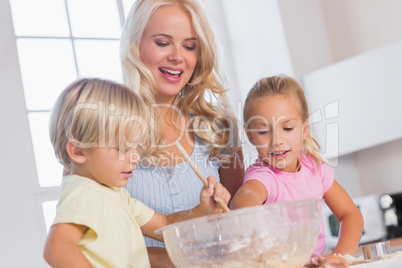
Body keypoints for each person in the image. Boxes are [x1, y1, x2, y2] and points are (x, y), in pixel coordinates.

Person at [43, 78, 230, 267]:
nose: (135, 158)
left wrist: (202, 210)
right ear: (78, 151)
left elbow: (166, 224)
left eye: (136, 146)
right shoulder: (85, 192)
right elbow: (57, 248)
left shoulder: (115, 195)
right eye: (123, 148)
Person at [120, 0, 244, 266]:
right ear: (134, 45)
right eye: (163, 43)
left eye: (189, 46)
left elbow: (240, 228)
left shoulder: (220, 129)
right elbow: (82, 242)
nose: (178, 56)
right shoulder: (102, 130)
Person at [230, 75, 364, 267]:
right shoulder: (264, 177)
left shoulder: (314, 169)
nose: (276, 140)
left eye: (287, 128)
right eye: (263, 131)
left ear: (304, 129)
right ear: (250, 136)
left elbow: (351, 213)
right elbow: (243, 202)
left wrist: (339, 256)